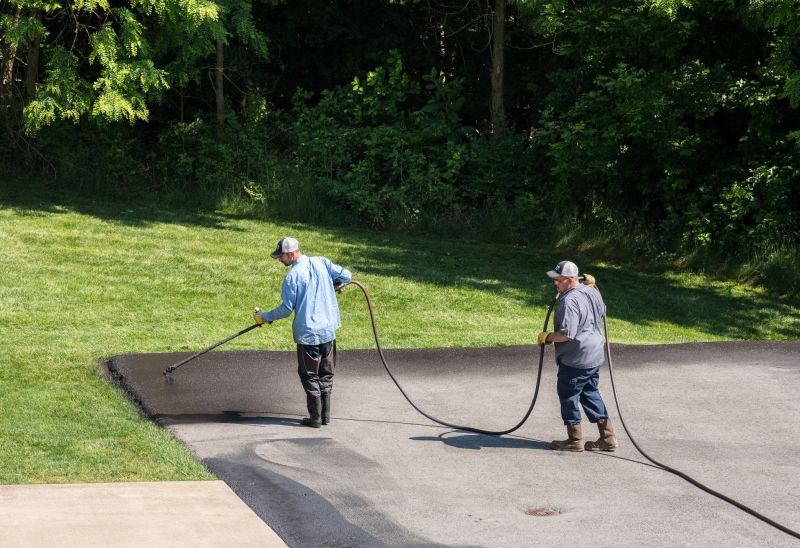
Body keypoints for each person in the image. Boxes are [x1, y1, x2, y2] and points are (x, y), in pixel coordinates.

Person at [254, 237, 352, 428]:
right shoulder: (322, 262)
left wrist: (264, 317)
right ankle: (325, 417)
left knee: (309, 375)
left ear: (291, 254)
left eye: (281, 256)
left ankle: (315, 419)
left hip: (308, 334)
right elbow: (347, 276)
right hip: (328, 330)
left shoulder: (292, 277)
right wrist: (334, 283)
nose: (279, 260)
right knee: (326, 374)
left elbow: (286, 309)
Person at [538, 260, 619, 452]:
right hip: (594, 355)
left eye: (558, 280)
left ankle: (575, 440)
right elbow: (603, 310)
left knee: (568, 395)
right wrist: (593, 287)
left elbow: (566, 335)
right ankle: (608, 438)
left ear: (569, 280)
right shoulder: (592, 291)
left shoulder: (569, 302)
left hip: (576, 358)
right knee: (590, 392)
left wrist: (547, 337)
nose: (555, 283)